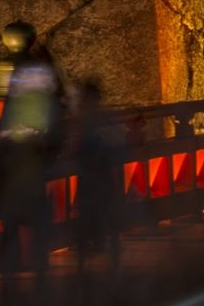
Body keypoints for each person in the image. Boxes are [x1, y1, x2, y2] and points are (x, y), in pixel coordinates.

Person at [0, 21, 62, 304]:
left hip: (16, 165)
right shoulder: (42, 99)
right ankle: (36, 268)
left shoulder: (11, 102)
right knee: (34, 215)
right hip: (32, 165)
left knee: (13, 217)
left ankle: (10, 271)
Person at [65, 80, 124, 290]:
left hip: (93, 180)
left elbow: (76, 151)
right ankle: (111, 270)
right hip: (99, 179)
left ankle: (85, 270)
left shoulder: (86, 122)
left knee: (92, 224)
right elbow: (118, 149)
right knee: (105, 226)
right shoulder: (104, 120)